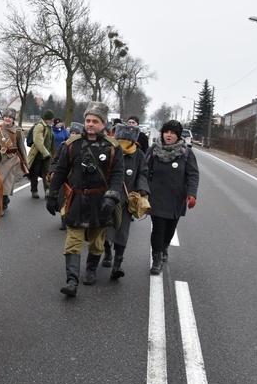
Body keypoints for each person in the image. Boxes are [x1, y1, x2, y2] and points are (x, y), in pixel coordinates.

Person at [47, 102, 124, 296]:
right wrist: (52, 194)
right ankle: (72, 281)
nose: (90, 124)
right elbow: (61, 172)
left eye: (95, 121)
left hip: (101, 201)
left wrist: (112, 197)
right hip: (77, 200)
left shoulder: (113, 147)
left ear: (103, 124)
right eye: (88, 120)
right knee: (73, 239)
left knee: (97, 241)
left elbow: (117, 176)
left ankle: (91, 269)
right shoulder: (72, 145)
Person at [145, 119, 199, 275]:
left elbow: (193, 175)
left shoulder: (186, 153)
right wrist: (142, 191)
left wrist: (191, 194)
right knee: (158, 227)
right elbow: (145, 172)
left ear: (178, 136)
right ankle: (156, 259)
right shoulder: (153, 151)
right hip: (156, 195)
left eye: (172, 133)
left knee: (170, 228)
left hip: (177, 197)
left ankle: (164, 247)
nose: (168, 135)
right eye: (166, 132)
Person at [103, 123, 149, 279]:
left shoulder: (139, 155)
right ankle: (107, 253)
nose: (124, 142)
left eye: (127, 139)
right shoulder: (110, 150)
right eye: (121, 138)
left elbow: (143, 173)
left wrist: (142, 188)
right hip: (108, 196)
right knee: (104, 229)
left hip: (127, 198)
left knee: (123, 231)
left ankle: (118, 264)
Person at [0, 107, 29, 216]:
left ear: (13, 119)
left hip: (11, 161)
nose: (7, 119)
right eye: (6, 117)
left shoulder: (18, 131)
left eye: (10, 117)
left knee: (5, 185)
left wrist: (26, 164)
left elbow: (22, 149)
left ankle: (3, 204)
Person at [27, 109, 55, 199]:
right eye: (51, 118)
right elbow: (38, 141)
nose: (52, 120)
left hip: (46, 156)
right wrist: (46, 153)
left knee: (46, 174)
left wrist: (52, 155)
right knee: (34, 174)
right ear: (49, 118)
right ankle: (34, 191)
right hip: (37, 155)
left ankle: (47, 191)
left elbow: (51, 143)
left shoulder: (49, 127)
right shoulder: (40, 126)